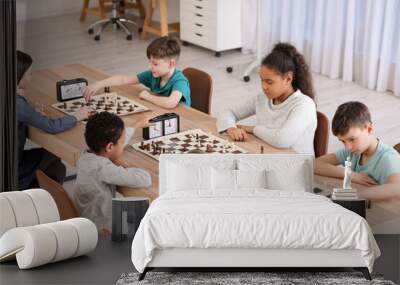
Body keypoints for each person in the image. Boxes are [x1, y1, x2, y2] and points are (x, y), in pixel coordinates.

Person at [217, 43, 317, 154]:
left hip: (296, 167)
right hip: (267, 158)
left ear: (288, 78)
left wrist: (253, 129)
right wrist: (231, 128)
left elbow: (282, 140)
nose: (264, 87)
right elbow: (228, 113)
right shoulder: (262, 98)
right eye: (262, 80)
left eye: (269, 82)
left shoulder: (304, 105)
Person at [16, 50, 89, 190]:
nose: (31, 77)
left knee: (56, 165)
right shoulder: (18, 105)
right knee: (55, 154)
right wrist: (77, 116)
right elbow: (52, 126)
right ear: (18, 77)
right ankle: (36, 193)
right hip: (14, 167)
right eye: (28, 74)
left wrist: (30, 114)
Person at [74, 112, 153, 231]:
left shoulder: (85, 156)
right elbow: (145, 179)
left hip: (87, 216)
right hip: (103, 227)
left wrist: (136, 125)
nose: (123, 144)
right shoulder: (103, 168)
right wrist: (122, 164)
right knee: (151, 215)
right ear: (110, 147)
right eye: (121, 143)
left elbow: (114, 144)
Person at [315, 101, 400, 199]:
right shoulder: (353, 151)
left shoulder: (388, 158)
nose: (348, 147)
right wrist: (352, 175)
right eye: (343, 141)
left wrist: (354, 195)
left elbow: (396, 187)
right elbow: (315, 164)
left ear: (369, 129)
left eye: (352, 139)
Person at [82, 36, 191, 109]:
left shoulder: (180, 81)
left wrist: (147, 96)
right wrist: (98, 84)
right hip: (161, 113)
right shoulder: (153, 74)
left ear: (171, 64)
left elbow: (170, 103)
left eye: (155, 64)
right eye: (150, 62)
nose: (150, 66)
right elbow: (123, 79)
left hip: (183, 121)